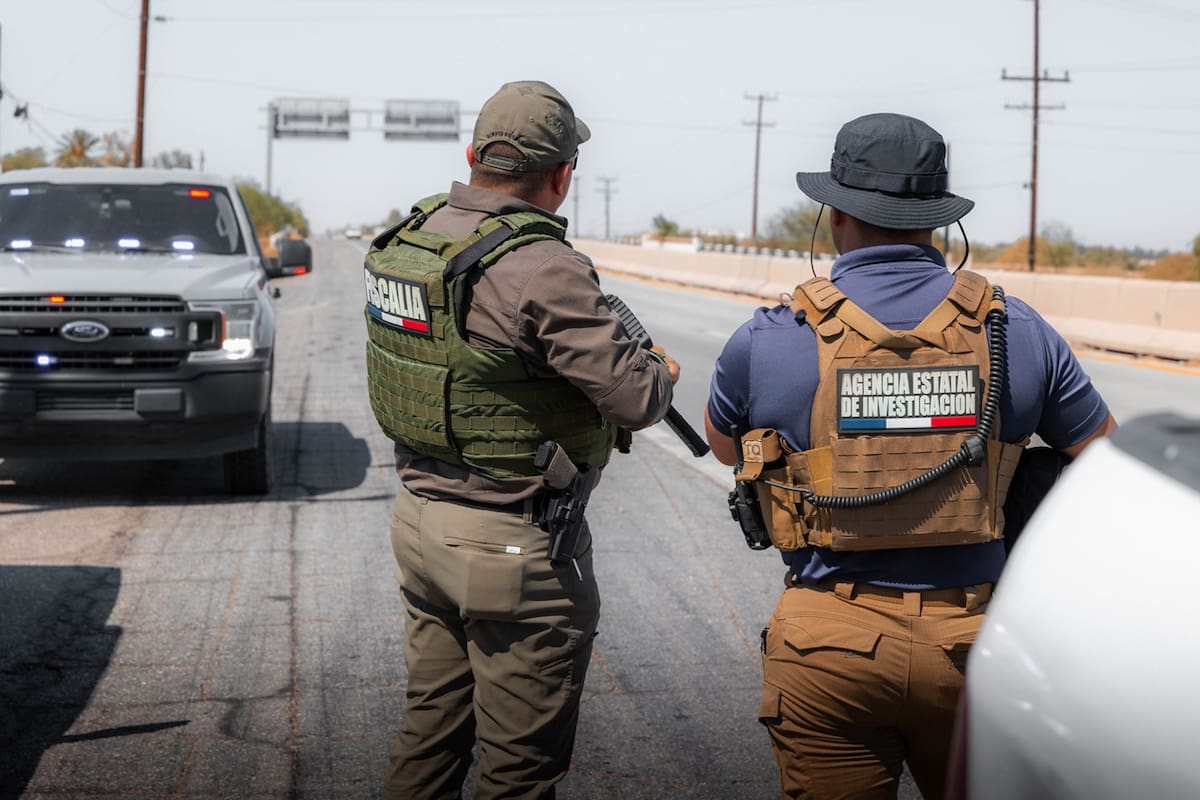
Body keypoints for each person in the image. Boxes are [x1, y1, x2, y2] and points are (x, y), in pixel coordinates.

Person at [704, 112, 1116, 800]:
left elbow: (725, 447)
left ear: (833, 215)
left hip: (828, 646)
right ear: (940, 221)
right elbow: (1105, 465)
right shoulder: (1017, 329)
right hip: (980, 648)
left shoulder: (771, 336)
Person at [364, 80, 679, 800]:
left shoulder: (413, 237)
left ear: (472, 155)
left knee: (428, 739)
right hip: (509, 549)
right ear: (563, 176)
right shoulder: (542, 265)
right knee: (518, 773)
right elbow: (635, 399)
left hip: (420, 524)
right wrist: (660, 368)